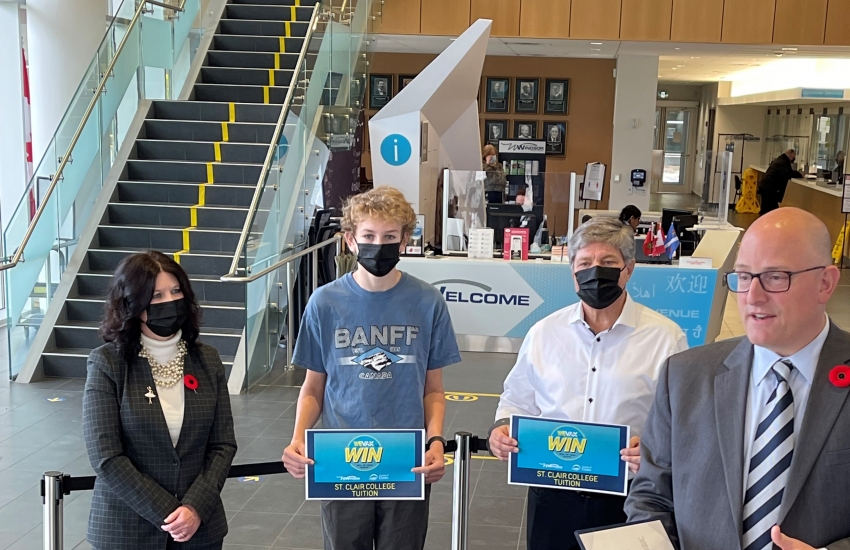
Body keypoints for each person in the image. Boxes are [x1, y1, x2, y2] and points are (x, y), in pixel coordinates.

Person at [625, 207, 849, 550]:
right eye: (744, 277)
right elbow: (651, 497)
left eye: (776, 277)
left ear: (825, 283)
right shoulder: (684, 377)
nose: (753, 297)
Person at [489, 217, 689, 550]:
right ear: (572, 272)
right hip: (552, 494)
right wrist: (501, 429)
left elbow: (684, 424)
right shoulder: (544, 333)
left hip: (628, 497)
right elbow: (516, 399)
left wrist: (656, 451)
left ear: (629, 269)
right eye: (585, 264)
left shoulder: (665, 339)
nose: (595, 272)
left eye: (608, 263)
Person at [282, 186, 461, 550]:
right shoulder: (324, 303)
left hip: (406, 455)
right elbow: (313, 388)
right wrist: (299, 436)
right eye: (368, 236)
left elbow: (433, 389)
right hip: (342, 453)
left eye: (390, 237)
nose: (378, 245)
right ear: (350, 240)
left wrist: (435, 441)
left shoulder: (428, 302)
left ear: (405, 240)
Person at [83, 251, 236, 550]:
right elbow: (106, 456)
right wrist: (170, 513)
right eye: (157, 295)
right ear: (132, 303)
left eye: (176, 291)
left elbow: (223, 444)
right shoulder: (107, 363)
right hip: (127, 532)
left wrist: (194, 508)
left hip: (199, 531)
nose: (170, 301)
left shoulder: (207, 359)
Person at [758, 149, 802, 215]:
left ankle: (763, 220)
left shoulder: (781, 159)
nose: (793, 159)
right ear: (789, 154)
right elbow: (789, 173)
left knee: (767, 208)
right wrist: (800, 174)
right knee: (772, 209)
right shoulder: (783, 162)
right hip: (769, 188)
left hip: (767, 186)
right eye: (793, 157)